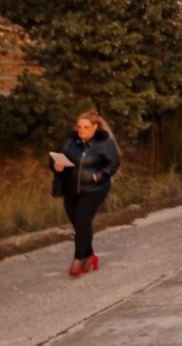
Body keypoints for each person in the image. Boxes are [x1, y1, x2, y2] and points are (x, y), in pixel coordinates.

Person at [49, 110, 121, 276]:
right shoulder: (70, 139)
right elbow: (55, 158)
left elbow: (114, 163)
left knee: (82, 220)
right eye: (79, 126)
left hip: (94, 189)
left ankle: (78, 258)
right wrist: (56, 166)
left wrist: (100, 175)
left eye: (86, 127)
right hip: (70, 188)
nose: (81, 130)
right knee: (79, 223)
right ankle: (90, 255)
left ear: (95, 126)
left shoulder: (105, 142)